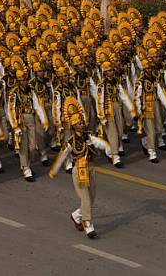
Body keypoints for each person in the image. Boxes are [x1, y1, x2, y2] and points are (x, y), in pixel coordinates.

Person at [50, 96, 111, 239]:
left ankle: (76, 215)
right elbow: (62, 156)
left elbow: (98, 143)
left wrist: (108, 149)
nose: (82, 125)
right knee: (86, 199)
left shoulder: (88, 136)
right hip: (79, 171)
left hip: (90, 169)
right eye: (78, 124)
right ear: (73, 126)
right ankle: (88, 224)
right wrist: (54, 171)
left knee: (92, 197)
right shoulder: (70, 142)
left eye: (82, 122)